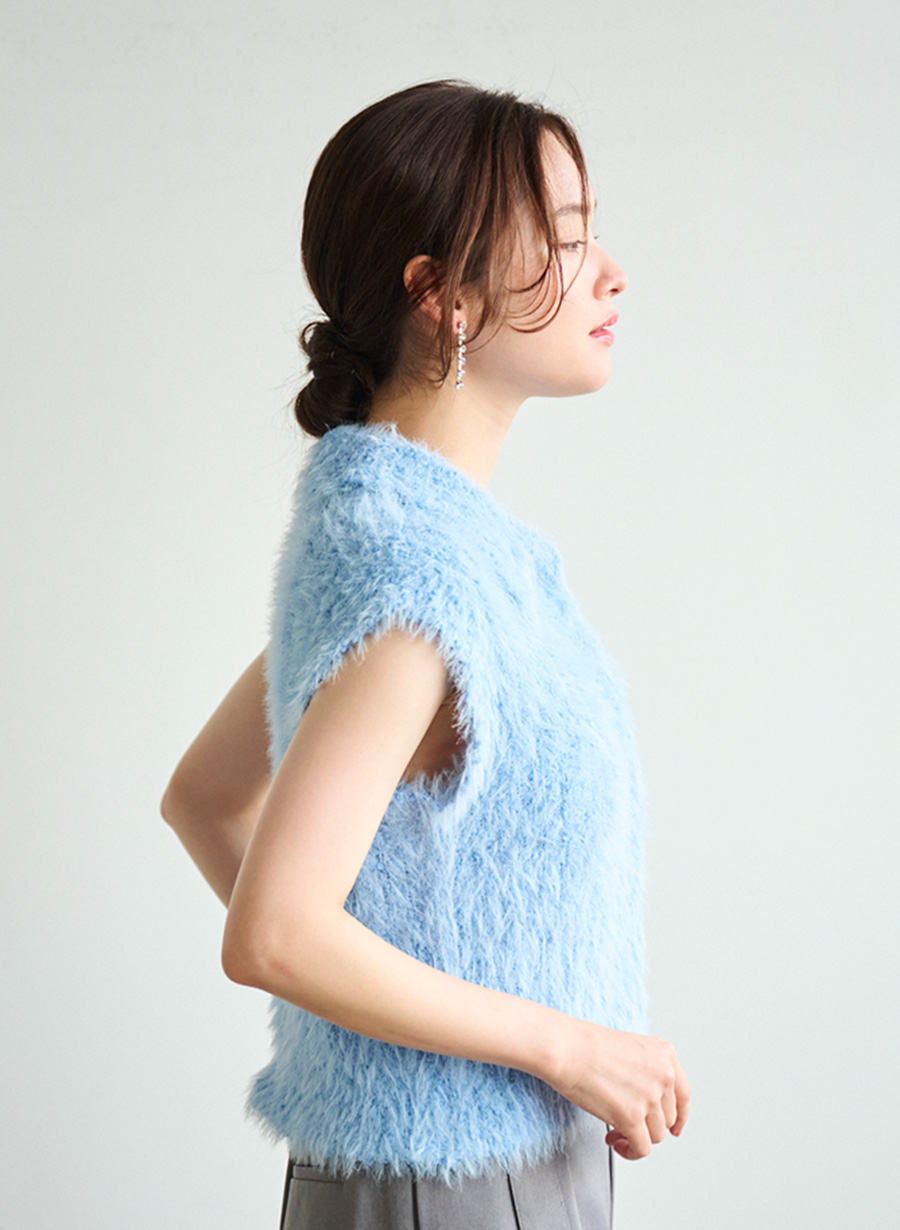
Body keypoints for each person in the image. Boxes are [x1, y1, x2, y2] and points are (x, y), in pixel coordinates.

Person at [161, 78, 690, 1230]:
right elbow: (276, 930)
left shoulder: (414, 543)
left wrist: (380, 986)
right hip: (451, 1186)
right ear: (442, 292)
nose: (610, 272)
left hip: (468, 1169)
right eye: (566, 238)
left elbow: (204, 796)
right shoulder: (416, 571)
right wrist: (568, 1048)